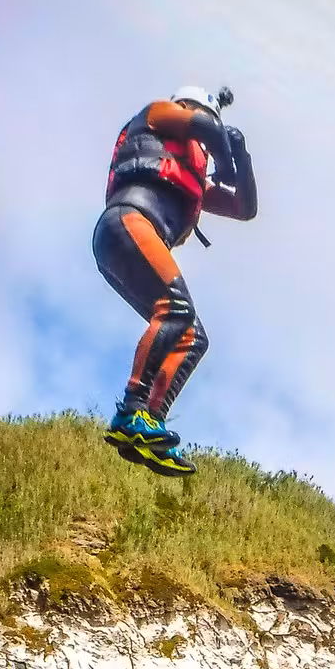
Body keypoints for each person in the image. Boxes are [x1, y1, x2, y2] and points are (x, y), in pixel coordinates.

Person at [93, 85, 257, 476]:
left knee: (193, 336)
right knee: (176, 308)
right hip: (128, 222)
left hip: (133, 241)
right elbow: (206, 128)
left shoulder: (193, 177)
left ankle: (151, 422)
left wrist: (241, 157)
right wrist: (224, 150)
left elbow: (245, 208)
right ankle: (131, 411)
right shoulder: (156, 114)